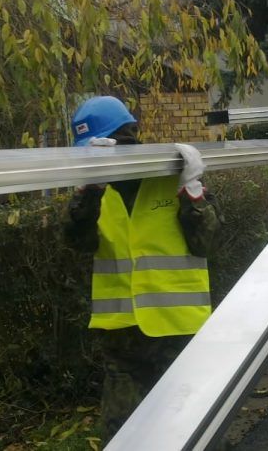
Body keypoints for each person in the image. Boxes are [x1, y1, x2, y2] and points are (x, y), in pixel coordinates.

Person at [63, 96, 220, 441]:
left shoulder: (170, 176)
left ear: (128, 135)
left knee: (194, 433)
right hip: (122, 341)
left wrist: (191, 191)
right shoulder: (95, 192)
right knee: (124, 438)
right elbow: (78, 241)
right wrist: (89, 190)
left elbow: (204, 244)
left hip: (178, 335)